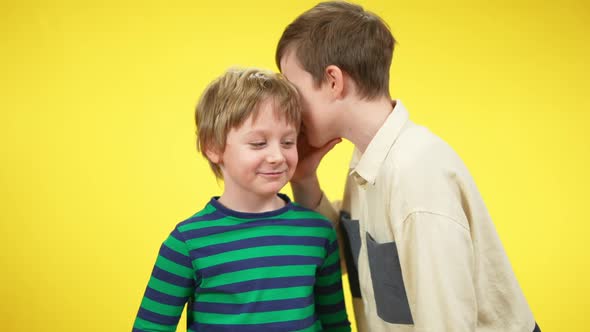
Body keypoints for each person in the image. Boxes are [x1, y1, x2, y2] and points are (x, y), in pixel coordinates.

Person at [276, 1, 539, 331]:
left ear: (333, 81)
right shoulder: (369, 160)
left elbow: (446, 324)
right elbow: (343, 259)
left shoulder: (416, 174)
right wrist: (304, 179)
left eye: (293, 89)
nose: (289, 108)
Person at [132, 68, 351, 332]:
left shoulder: (318, 233)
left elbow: (336, 325)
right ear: (212, 146)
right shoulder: (186, 243)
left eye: (288, 141)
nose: (277, 156)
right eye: (259, 143)